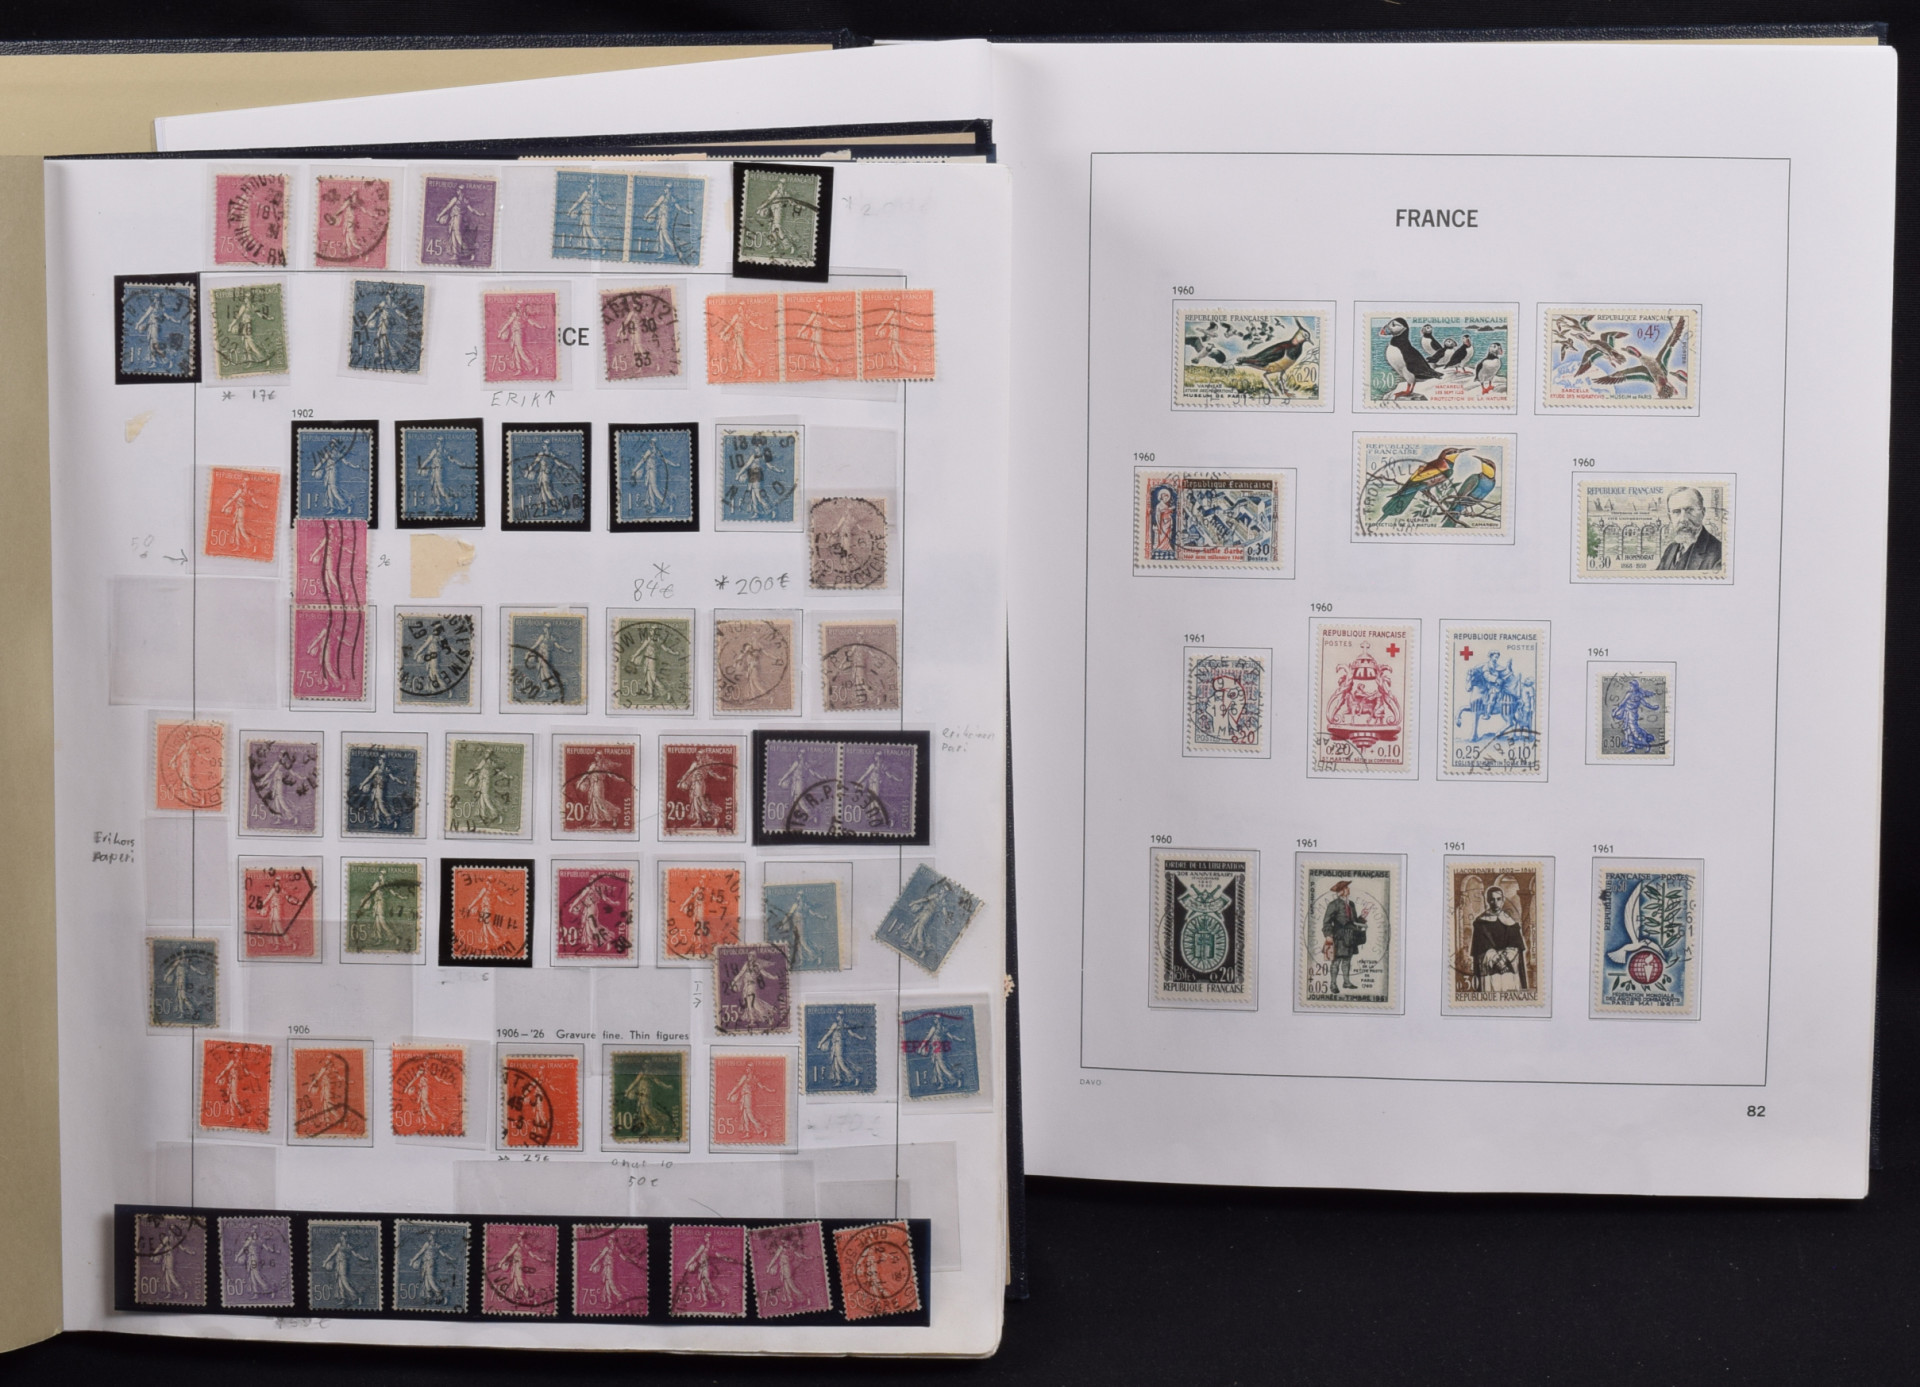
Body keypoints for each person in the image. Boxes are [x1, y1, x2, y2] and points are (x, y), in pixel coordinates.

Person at [1469, 885, 1528, 994]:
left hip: (1509, 970)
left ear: (1503, 900)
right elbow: (1481, 947)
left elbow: (1515, 945)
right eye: (1492, 899)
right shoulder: (1480, 923)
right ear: (1487, 901)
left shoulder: (1511, 923)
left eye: (1498, 899)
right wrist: (1497, 961)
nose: (1495, 903)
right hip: (1490, 971)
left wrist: (1505, 960)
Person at [1656, 486, 1724, 571]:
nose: (1683, 519)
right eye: (1676, 512)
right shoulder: (1670, 549)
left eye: (1690, 510)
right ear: (1670, 517)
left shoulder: (1719, 554)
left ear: (1702, 513)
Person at [1320, 880, 1370, 993]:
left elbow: (1354, 922)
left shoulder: (1351, 904)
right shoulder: (1333, 904)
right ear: (1341, 891)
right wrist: (1328, 935)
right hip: (1338, 938)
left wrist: (1363, 917)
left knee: (1347, 961)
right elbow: (1326, 922)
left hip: (1350, 938)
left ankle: (1346, 982)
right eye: (1346, 888)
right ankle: (1333, 984)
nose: (1348, 889)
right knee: (1336, 962)